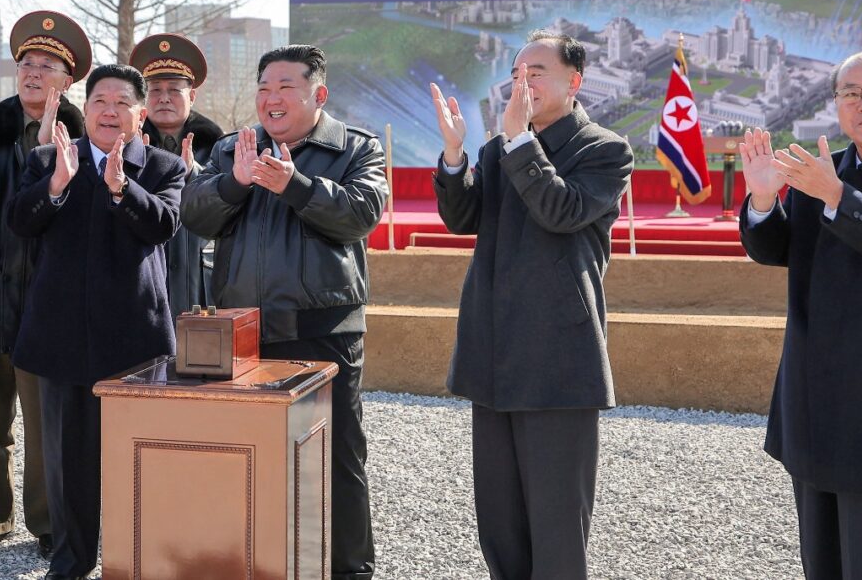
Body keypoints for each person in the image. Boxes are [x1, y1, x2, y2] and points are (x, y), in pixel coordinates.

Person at [430, 30, 632, 579]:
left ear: (576, 81)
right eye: (518, 72)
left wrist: (520, 143)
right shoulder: (500, 148)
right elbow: (464, 218)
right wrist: (454, 155)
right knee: (500, 522)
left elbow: (560, 211)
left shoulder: (604, 149)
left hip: (558, 357)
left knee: (556, 523)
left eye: (537, 72)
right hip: (493, 351)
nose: (524, 81)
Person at [181, 44, 388, 580]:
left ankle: (346, 568)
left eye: (285, 88)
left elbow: (361, 215)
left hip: (322, 334)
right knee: (249, 457)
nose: (271, 99)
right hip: (244, 334)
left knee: (334, 457)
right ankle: (260, 562)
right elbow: (196, 214)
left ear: (317, 94)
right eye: (264, 88)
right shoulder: (233, 149)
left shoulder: (354, 148)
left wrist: (293, 185)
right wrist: (237, 182)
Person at [8, 65, 185, 580]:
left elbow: (165, 225)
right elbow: (20, 221)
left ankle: (136, 561)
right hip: (61, 338)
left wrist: (121, 188)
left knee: (138, 460)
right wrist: (58, 184)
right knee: (69, 463)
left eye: (121, 103)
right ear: (84, 112)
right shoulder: (46, 159)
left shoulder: (163, 166)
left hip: (135, 338)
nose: (110, 111)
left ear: (141, 113)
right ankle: (71, 561)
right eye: (100, 101)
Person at [0, 10, 91, 559]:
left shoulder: (80, 132)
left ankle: (48, 525)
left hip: (47, 299)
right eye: (27, 64)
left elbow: (72, 207)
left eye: (48, 66)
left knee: (45, 426)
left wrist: (44, 144)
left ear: (68, 79)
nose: (34, 74)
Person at [739, 50, 862, 579]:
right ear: (837, 105)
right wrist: (761, 197)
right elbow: (777, 250)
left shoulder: (829, 180)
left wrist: (840, 198)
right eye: (853, 94)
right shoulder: (822, 169)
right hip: (814, 398)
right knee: (821, 559)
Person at [130, 33, 224, 319]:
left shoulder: (221, 149)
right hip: (142, 293)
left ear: (191, 96)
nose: (164, 98)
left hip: (203, 293)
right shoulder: (123, 150)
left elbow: (226, 210)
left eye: (174, 89)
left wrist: (194, 174)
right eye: (155, 90)